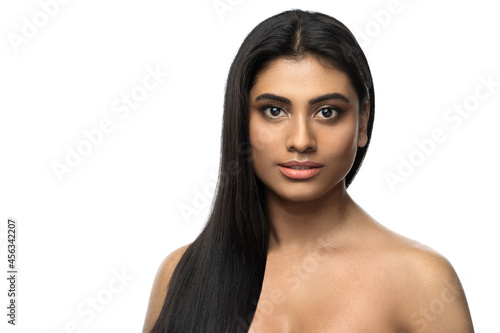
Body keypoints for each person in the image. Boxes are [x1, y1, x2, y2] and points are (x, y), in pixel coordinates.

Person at [142, 9, 474, 333]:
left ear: (363, 122)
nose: (301, 141)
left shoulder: (421, 281)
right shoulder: (182, 274)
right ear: (241, 121)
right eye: (274, 110)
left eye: (327, 112)